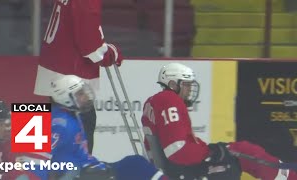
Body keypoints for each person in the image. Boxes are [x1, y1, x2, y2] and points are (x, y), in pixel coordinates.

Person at [141, 62, 297, 180]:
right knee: (245, 152)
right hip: (184, 170)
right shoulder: (169, 99)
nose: (189, 90)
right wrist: (212, 153)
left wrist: (213, 150)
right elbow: (178, 150)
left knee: (239, 149)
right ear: (173, 84)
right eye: (186, 85)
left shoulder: (153, 101)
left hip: (175, 167)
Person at [34, 0, 124, 154]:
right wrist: (111, 53)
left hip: (56, 70)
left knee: (52, 136)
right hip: (71, 77)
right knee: (81, 134)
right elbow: (91, 48)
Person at [43, 74, 168, 180]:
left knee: (135, 162)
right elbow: (38, 160)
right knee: (136, 165)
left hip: (90, 167)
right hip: (82, 173)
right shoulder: (59, 123)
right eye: (80, 94)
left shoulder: (73, 116)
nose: (86, 97)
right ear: (65, 98)